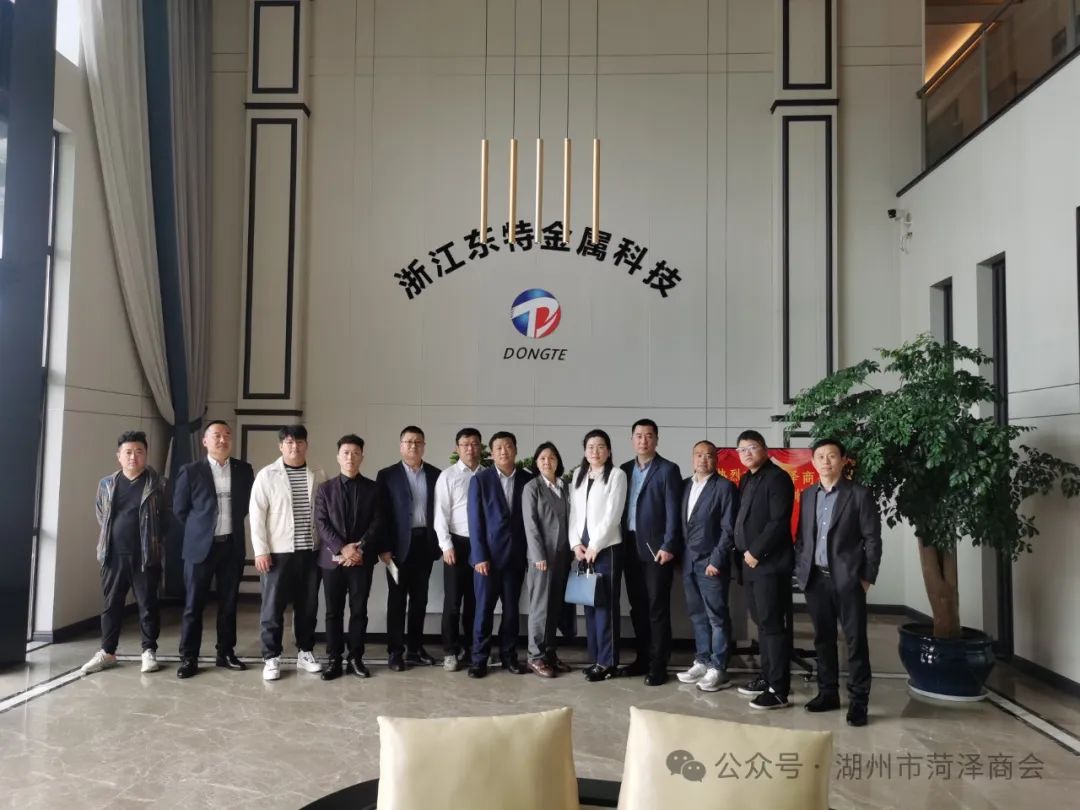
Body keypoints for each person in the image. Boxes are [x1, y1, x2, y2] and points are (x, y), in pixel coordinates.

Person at [794, 437, 882, 727]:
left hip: (848, 580)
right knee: (823, 639)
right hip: (815, 579)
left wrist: (867, 577)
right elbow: (802, 538)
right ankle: (827, 693)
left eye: (832, 456)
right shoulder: (808, 494)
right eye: (820, 456)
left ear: (844, 460)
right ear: (813, 462)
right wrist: (801, 567)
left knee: (855, 641)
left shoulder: (858, 494)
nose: (826, 461)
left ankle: (858, 702)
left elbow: (872, 539)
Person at [81, 431, 169, 675]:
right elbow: (102, 514)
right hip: (113, 555)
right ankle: (107, 652)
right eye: (128, 452)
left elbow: (167, 519)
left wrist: (155, 541)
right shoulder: (107, 484)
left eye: (139, 452)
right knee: (111, 605)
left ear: (146, 455)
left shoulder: (159, 484)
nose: (133, 457)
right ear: (118, 456)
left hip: (145, 555)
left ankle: (148, 651)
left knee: (148, 605)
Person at [173, 420, 255, 678]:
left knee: (228, 604)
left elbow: (246, 506)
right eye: (217, 435)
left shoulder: (244, 470)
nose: (223, 440)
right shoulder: (190, 471)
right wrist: (201, 530)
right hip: (200, 548)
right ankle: (189, 657)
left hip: (231, 546)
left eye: (227, 435)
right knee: (193, 605)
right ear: (205, 441)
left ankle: (226, 653)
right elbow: (180, 510)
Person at [250, 424, 327, 681]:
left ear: (306, 445)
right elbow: (257, 516)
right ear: (281, 446)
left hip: (310, 552)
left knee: (308, 606)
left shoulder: (318, 473)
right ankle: (271, 657)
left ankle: (305, 652)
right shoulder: (267, 475)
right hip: (278, 553)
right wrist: (261, 551)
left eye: (300, 442)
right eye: (289, 442)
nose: (295, 447)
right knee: (273, 608)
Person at [732, 430, 795, 709]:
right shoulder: (747, 478)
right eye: (742, 449)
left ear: (765, 450)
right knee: (763, 624)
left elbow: (778, 522)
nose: (747, 453)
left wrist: (756, 552)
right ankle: (767, 677)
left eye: (752, 447)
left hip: (768, 564)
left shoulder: (778, 478)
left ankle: (779, 690)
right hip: (750, 565)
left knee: (773, 626)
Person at [619, 418, 682, 686]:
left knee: (657, 607)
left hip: (657, 550)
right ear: (632, 439)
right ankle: (642, 658)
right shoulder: (623, 470)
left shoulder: (668, 469)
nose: (643, 440)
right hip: (629, 546)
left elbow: (673, 511)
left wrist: (669, 545)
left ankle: (658, 664)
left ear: (656, 439)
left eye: (648, 436)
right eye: (638, 435)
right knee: (638, 607)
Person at [466, 431, 535, 678]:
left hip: (516, 558)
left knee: (511, 612)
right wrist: (479, 556)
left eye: (508, 447)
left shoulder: (528, 479)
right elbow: (475, 522)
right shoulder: (480, 480)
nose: (503, 451)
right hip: (488, 560)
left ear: (515, 449)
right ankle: (479, 659)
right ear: (492, 453)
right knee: (483, 610)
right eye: (498, 448)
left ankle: (509, 657)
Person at [314, 434, 382, 680]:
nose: (350, 457)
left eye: (355, 453)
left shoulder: (373, 489)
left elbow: (377, 522)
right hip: (331, 561)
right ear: (338, 457)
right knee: (333, 611)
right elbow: (321, 523)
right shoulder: (325, 489)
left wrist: (359, 549)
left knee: (359, 610)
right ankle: (334, 658)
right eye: (345, 452)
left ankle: (356, 657)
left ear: (362, 456)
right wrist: (343, 549)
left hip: (361, 561)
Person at [376, 425, 441, 671]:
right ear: (401, 445)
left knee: (420, 600)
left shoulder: (435, 474)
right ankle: (395, 652)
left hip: (424, 544)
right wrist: (384, 547)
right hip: (397, 548)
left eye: (418, 442)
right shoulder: (387, 475)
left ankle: (415, 649)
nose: (413, 446)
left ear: (424, 446)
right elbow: (381, 515)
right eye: (408, 441)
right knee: (397, 601)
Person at [676, 440, 739, 692]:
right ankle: (702, 660)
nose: (703, 459)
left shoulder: (725, 487)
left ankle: (719, 667)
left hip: (711, 562)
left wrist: (717, 559)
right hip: (688, 562)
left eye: (709, 455)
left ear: (717, 459)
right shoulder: (684, 485)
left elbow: (728, 528)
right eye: (699, 455)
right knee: (697, 615)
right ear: (692, 458)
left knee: (717, 617)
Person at [569, 429, 628, 682]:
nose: (595, 451)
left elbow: (613, 515)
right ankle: (596, 658)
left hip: (606, 549)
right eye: (591, 447)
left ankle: (608, 662)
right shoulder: (578, 475)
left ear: (609, 451)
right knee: (590, 604)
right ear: (585, 451)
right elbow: (574, 513)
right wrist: (575, 544)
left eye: (601, 446)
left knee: (605, 606)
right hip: (583, 550)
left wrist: (595, 545)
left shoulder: (616, 475)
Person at [521, 441, 573, 677]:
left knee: (555, 607)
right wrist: (537, 555)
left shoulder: (564, 487)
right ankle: (535, 656)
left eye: (551, 458)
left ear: (558, 461)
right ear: (536, 462)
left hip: (563, 556)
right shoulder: (532, 487)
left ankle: (550, 652)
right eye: (542, 458)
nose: (547, 462)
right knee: (540, 607)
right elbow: (530, 525)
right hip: (542, 558)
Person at [433, 427, 483, 671]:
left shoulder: (487, 474)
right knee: (453, 601)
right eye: (465, 444)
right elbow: (440, 514)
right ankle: (450, 651)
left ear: (480, 447)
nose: (470, 449)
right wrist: (446, 545)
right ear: (457, 448)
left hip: (480, 545)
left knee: (475, 600)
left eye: (474, 444)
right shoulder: (448, 476)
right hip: (456, 544)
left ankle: (472, 648)